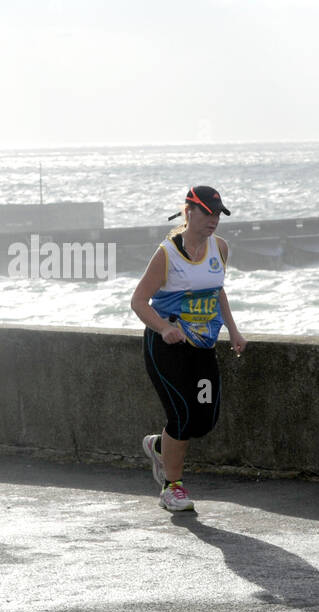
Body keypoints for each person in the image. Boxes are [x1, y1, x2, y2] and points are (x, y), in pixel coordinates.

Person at [130, 186, 246, 512]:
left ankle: (159, 445)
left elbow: (217, 292)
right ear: (188, 212)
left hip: (203, 346)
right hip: (166, 346)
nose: (213, 221)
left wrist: (233, 330)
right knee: (180, 416)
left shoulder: (219, 248)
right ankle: (172, 487)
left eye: (217, 215)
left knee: (203, 421)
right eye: (207, 213)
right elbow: (138, 301)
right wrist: (165, 328)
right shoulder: (167, 253)